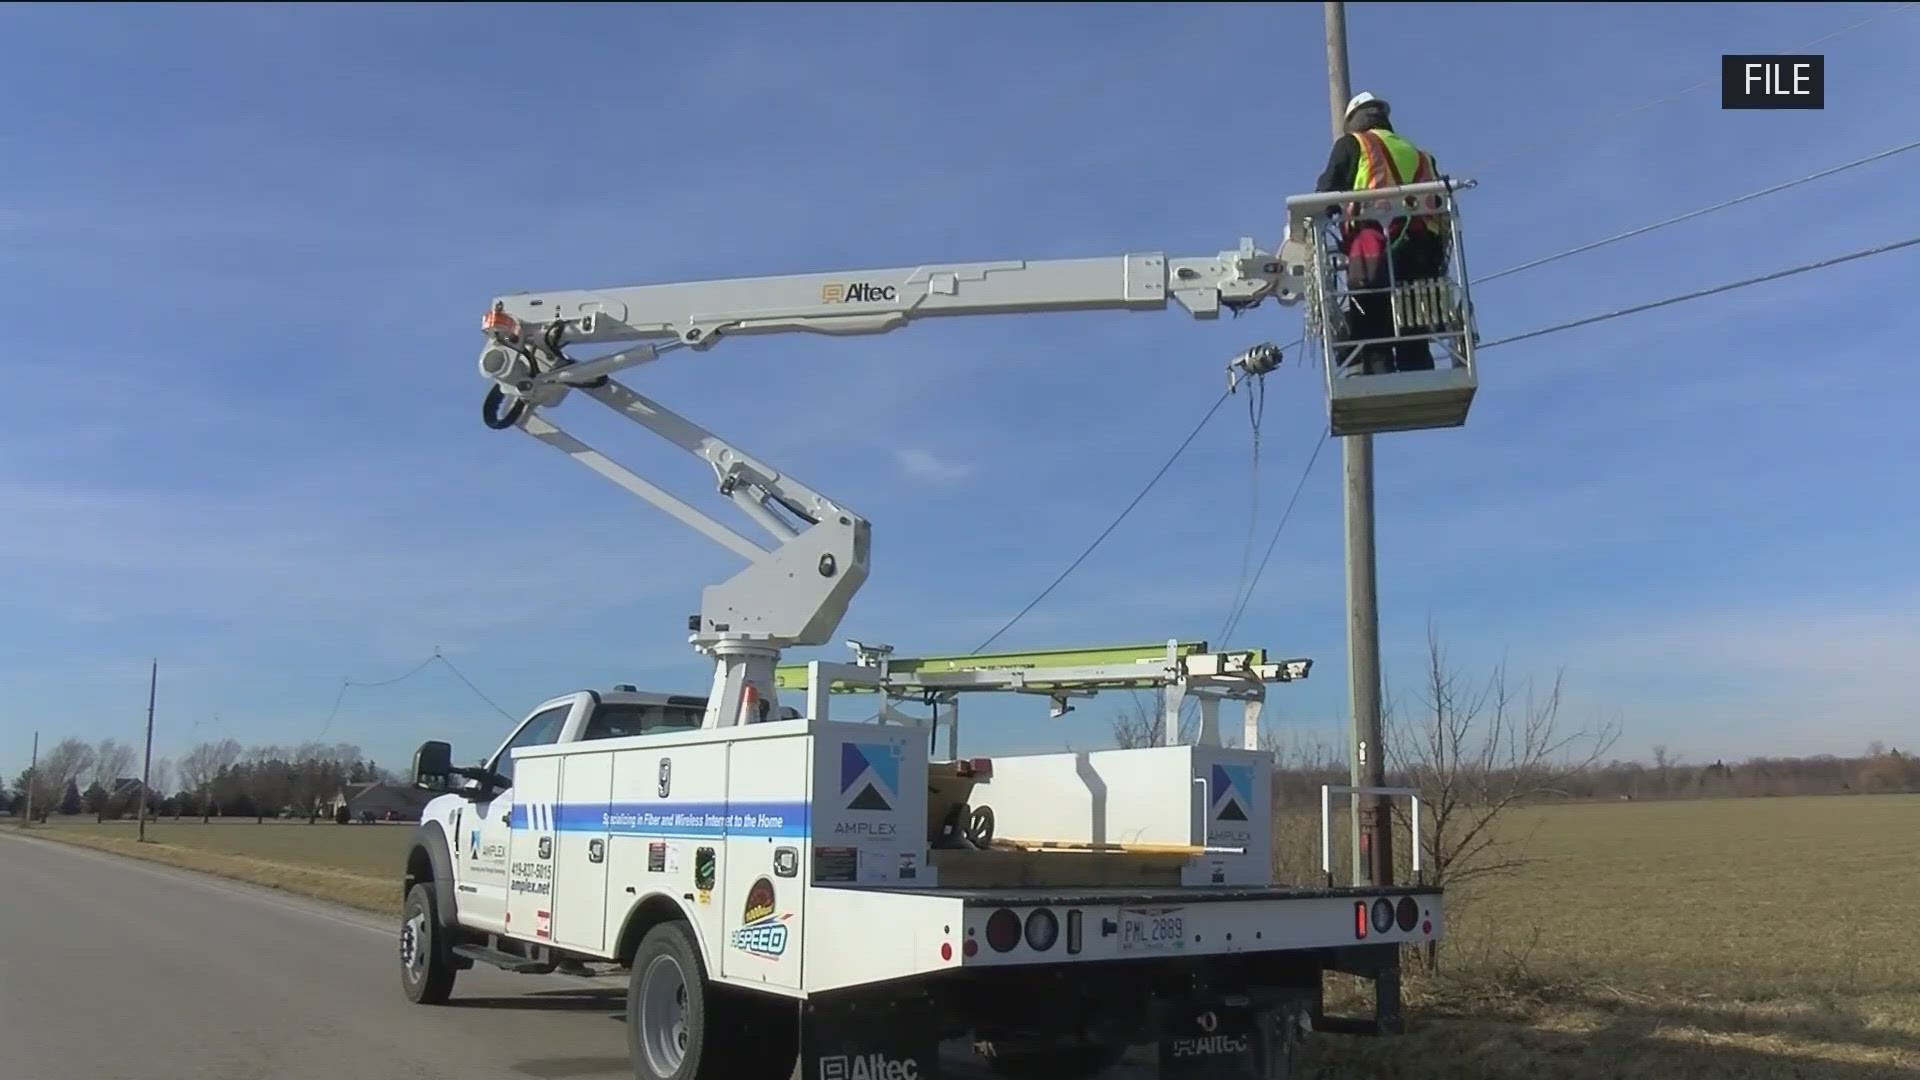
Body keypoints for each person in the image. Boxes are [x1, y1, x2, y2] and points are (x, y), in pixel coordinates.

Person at [1315, 91, 1451, 375]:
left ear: (1353, 120)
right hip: (1423, 251)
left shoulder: (1354, 144)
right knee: (1413, 320)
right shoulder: (1420, 154)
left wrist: (1317, 221)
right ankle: (1418, 375)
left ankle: (1380, 373)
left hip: (1373, 246)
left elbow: (1326, 193)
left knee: (1373, 317)